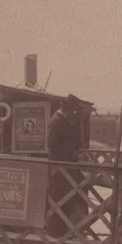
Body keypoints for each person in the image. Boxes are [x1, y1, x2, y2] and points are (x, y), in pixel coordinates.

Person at [46, 95, 88, 236]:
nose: (75, 115)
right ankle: (61, 232)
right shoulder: (58, 121)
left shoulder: (60, 120)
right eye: (74, 111)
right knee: (62, 199)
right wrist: (73, 152)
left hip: (63, 170)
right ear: (68, 109)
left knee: (67, 198)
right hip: (61, 170)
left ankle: (69, 230)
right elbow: (52, 145)